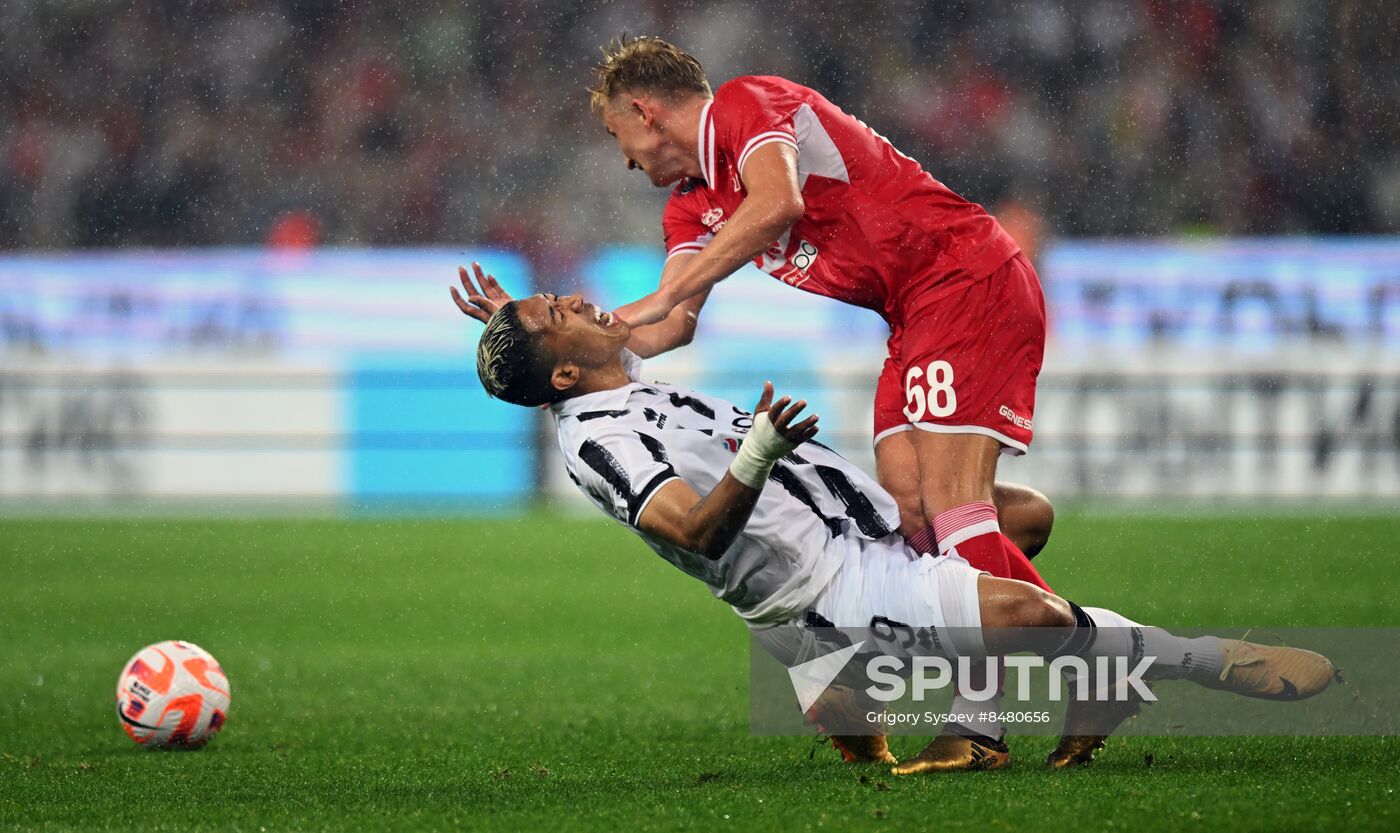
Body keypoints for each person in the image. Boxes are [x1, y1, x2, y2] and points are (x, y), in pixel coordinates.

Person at [456, 285, 1334, 774]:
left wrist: (515, 324)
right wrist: (759, 451)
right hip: (828, 587)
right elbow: (694, 532)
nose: (577, 300)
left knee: (1024, 518)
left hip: (857, 525)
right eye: (558, 313)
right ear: (564, 375)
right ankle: (1194, 659)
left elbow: (645, 327)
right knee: (1024, 615)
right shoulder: (599, 440)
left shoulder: (612, 377)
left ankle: (900, 689)